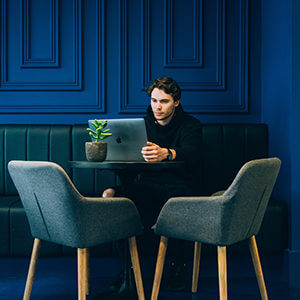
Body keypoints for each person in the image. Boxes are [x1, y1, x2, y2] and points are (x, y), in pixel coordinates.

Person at [102, 76, 202, 298]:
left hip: (180, 187)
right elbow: (129, 162)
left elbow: (193, 154)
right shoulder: (141, 126)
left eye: (164, 101)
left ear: (176, 102)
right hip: (148, 186)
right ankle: (128, 273)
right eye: (154, 100)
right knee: (118, 200)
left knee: (172, 199)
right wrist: (116, 189)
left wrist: (167, 153)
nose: (157, 106)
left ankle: (178, 269)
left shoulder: (190, 125)